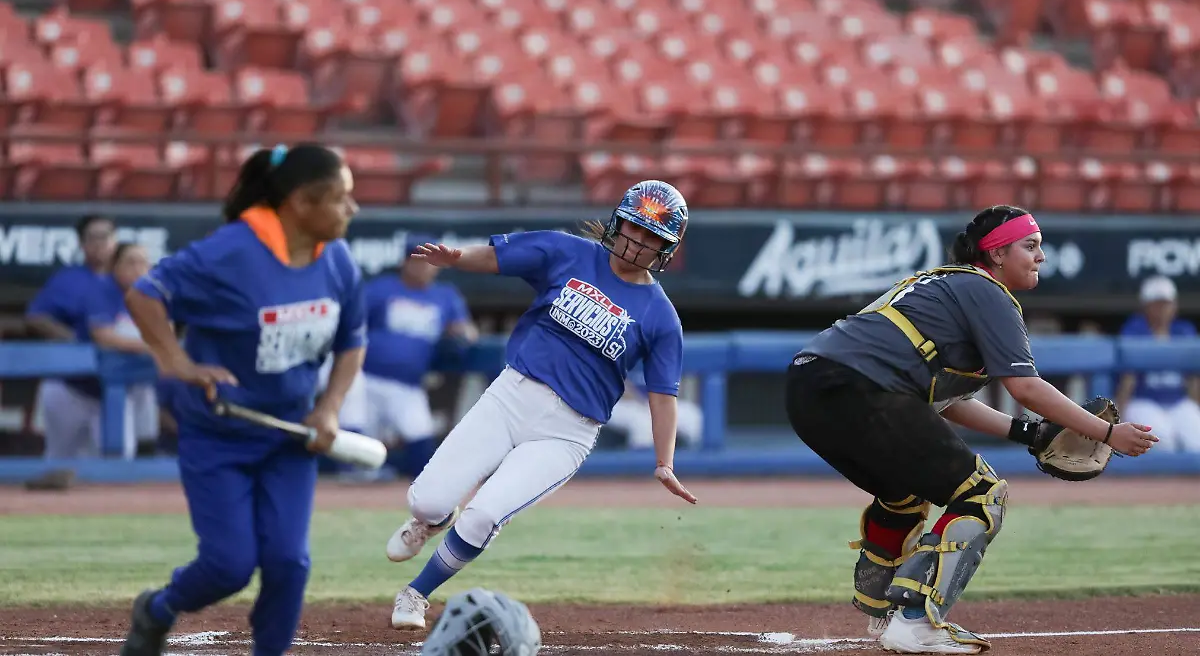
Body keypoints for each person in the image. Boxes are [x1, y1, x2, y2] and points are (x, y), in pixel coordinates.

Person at [784, 205, 1157, 654]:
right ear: (996, 254)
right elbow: (1025, 387)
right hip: (861, 388)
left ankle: (881, 606)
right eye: (1030, 246)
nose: (1041, 256)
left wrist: (1030, 435)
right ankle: (916, 622)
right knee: (982, 494)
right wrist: (1105, 432)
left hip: (809, 387)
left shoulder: (938, 283)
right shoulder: (986, 290)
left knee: (908, 490)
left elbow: (945, 403)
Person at [385, 179, 698, 631]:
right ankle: (429, 520)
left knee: (484, 516)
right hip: (512, 396)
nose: (638, 242)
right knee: (427, 499)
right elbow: (498, 257)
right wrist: (457, 258)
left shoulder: (660, 316)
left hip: (567, 431)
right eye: (634, 226)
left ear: (667, 250)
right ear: (618, 221)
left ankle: (416, 593)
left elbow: (663, 393)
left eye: (653, 237)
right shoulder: (568, 252)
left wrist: (664, 461)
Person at [117, 143, 365, 656]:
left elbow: (352, 342)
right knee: (228, 566)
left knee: (288, 563)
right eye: (342, 198)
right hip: (219, 433)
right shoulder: (229, 252)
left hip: (291, 436)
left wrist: (330, 407)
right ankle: (157, 610)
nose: (353, 209)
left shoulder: (338, 259)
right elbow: (145, 294)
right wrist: (174, 360)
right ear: (301, 202)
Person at [359, 236, 478, 479]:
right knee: (359, 448)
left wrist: (462, 332)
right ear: (406, 262)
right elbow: (352, 325)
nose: (426, 268)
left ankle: (401, 499)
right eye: (420, 261)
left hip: (408, 385)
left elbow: (468, 331)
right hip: (366, 379)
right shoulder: (381, 289)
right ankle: (347, 494)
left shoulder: (444, 296)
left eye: (431, 262)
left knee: (422, 446)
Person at [25, 213, 117, 460]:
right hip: (69, 386)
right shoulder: (68, 279)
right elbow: (36, 317)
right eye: (92, 238)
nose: (100, 243)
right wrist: (74, 338)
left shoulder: (127, 279)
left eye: (105, 236)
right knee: (59, 461)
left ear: (115, 240)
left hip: (116, 387)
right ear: (81, 243)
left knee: (116, 464)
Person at [84, 242, 158, 459]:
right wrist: (149, 346)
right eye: (131, 262)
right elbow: (103, 336)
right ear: (114, 266)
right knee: (63, 455)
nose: (138, 268)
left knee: (138, 449)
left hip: (136, 383)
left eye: (143, 262)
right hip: (82, 391)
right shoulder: (101, 289)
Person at [1115, 275, 1200, 453]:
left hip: (1178, 401)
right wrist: (1118, 420)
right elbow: (1127, 379)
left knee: (1195, 441)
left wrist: (1195, 408)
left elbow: (1193, 380)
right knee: (1162, 442)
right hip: (1143, 401)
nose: (1162, 309)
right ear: (1146, 306)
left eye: (1166, 303)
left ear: (1174, 305)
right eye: (1157, 303)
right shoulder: (1134, 331)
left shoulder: (1183, 331)